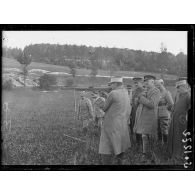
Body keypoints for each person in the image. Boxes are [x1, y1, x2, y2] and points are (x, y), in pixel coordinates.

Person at [99, 77, 131, 165]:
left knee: (105, 147)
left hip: (111, 123)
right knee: (120, 145)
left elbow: (104, 108)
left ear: (116, 84)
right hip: (122, 123)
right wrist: (107, 96)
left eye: (111, 84)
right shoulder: (125, 92)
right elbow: (118, 103)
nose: (110, 86)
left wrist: (99, 100)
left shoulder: (113, 93)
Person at [133, 75, 161, 162]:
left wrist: (141, 98)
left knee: (150, 137)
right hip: (143, 117)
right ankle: (145, 154)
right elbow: (139, 103)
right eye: (144, 81)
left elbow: (152, 104)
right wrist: (138, 99)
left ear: (153, 82)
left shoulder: (156, 91)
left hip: (150, 118)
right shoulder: (145, 91)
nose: (145, 83)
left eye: (147, 81)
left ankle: (153, 156)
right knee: (144, 136)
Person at [167, 78, 191, 164]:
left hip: (182, 123)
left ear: (184, 87)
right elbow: (175, 106)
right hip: (174, 121)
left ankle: (179, 156)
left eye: (179, 87)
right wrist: (171, 108)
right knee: (173, 137)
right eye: (176, 87)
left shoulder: (188, 96)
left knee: (180, 139)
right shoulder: (177, 95)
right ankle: (172, 154)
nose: (177, 89)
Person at [155, 79, 174, 144]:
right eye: (156, 85)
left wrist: (165, 109)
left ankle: (166, 144)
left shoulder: (166, 93)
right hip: (157, 114)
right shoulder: (157, 93)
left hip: (164, 115)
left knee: (164, 129)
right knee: (158, 129)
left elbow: (171, 104)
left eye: (159, 85)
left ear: (162, 84)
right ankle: (160, 143)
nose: (157, 87)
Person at [130, 77, 144, 147]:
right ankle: (137, 143)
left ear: (141, 83)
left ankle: (141, 144)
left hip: (140, 112)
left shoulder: (143, 91)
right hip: (134, 111)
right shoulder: (134, 91)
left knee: (140, 128)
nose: (135, 84)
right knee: (134, 127)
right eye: (134, 83)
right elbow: (132, 102)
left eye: (137, 83)